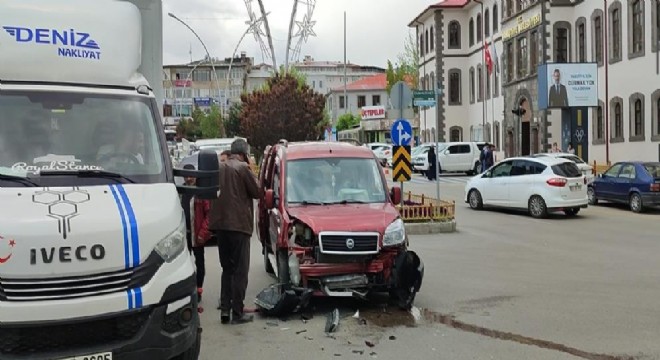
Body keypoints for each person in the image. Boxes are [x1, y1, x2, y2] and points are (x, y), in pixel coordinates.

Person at [209, 138, 262, 325]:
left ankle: (225, 309)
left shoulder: (219, 167)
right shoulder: (242, 168)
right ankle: (237, 313)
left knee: (227, 269)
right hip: (239, 226)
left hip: (221, 226)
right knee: (240, 270)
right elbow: (257, 191)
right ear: (244, 153)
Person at [181, 164, 211, 304]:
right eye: (186, 176)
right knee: (183, 265)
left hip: (197, 235)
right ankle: (184, 292)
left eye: (191, 176)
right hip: (182, 237)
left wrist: (202, 233)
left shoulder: (201, 192)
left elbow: (209, 215)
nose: (189, 179)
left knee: (200, 264)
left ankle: (199, 290)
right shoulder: (179, 192)